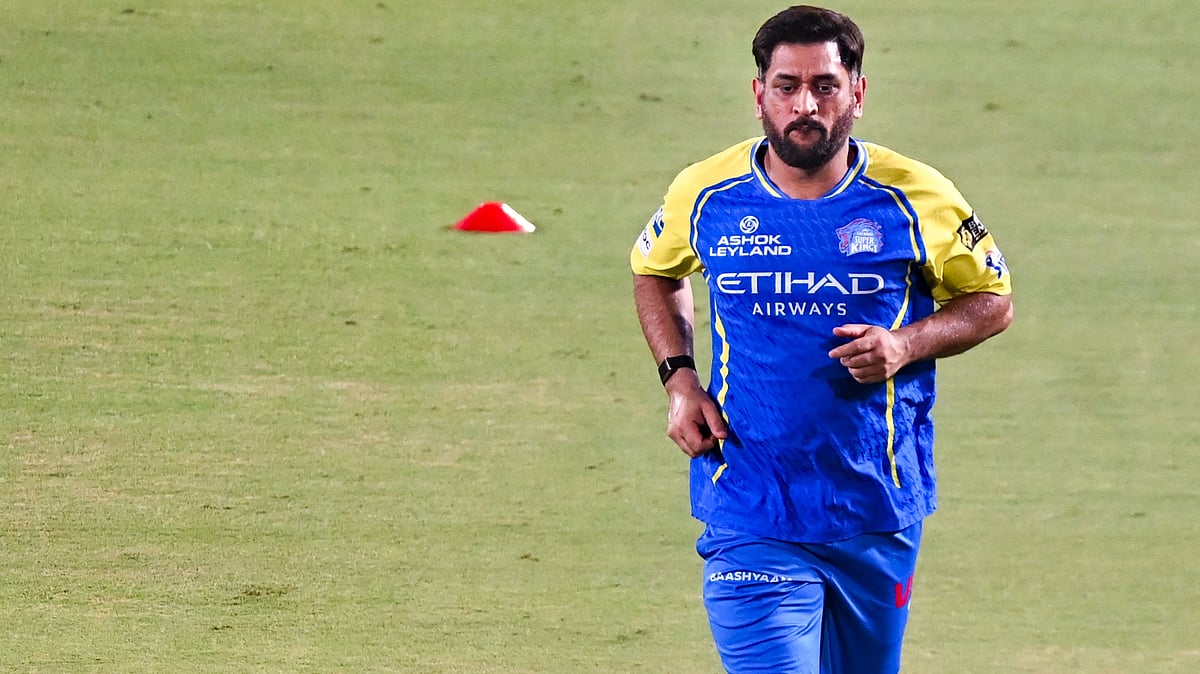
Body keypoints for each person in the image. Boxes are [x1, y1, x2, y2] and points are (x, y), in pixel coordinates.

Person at [629, 5, 1014, 673]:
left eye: (825, 86)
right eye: (787, 86)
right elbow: (654, 271)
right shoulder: (706, 193)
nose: (805, 105)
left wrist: (906, 344)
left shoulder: (916, 196)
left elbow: (992, 301)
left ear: (857, 93)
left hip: (876, 504)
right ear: (759, 94)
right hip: (751, 503)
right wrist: (679, 379)